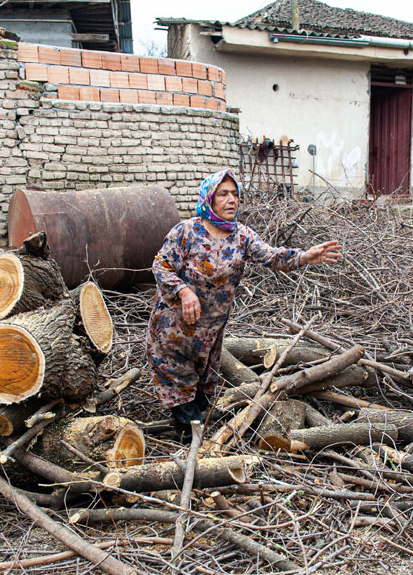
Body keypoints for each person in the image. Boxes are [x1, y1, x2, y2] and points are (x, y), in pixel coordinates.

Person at [145, 169, 342, 437]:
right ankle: (191, 448)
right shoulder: (187, 232)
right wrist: (183, 291)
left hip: (210, 331)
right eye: (223, 194)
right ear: (209, 198)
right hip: (175, 328)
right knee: (182, 395)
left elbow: (272, 257)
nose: (231, 200)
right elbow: (161, 265)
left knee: (202, 393)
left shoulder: (241, 236)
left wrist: (304, 256)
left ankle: (193, 429)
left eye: (235, 194)